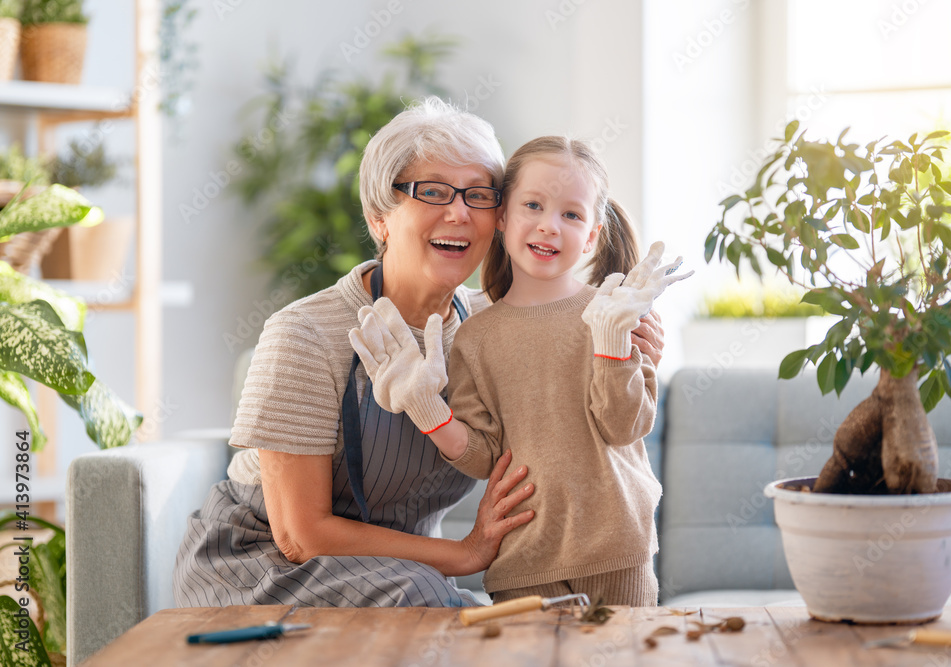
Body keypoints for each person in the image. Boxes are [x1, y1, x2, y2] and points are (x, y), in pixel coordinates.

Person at [173, 100, 667, 609]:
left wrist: (631, 344)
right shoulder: (305, 334)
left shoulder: (486, 329)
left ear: (495, 217)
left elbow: (576, 369)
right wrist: (466, 553)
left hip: (405, 573)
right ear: (378, 218)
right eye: (431, 191)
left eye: (477, 195)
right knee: (439, 611)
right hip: (266, 564)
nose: (458, 212)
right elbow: (301, 534)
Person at [349, 135, 692, 607]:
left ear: (591, 235)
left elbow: (623, 426)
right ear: (504, 218)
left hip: (618, 549)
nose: (549, 226)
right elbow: (487, 457)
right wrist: (427, 410)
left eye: (571, 215)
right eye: (533, 205)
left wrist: (612, 343)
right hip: (522, 558)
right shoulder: (475, 336)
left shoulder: (616, 314)